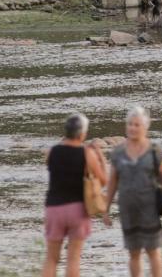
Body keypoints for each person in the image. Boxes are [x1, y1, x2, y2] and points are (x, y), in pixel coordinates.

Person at [103, 106, 162, 277]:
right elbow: (113, 181)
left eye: (137, 125)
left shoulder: (154, 151)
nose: (132, 128)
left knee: (153, 251)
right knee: (133, 252)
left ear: (145, 127)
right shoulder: (118, 152)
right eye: (130, 124)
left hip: (150, 209)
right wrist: (106, 209)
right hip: (128, 209)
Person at [42, 113, 107, 277]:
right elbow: (103, 181)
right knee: (73, 259)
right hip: (77, 210)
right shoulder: (86, 154)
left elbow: (51, 167)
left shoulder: (52, 152)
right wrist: (100, 157)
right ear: (82, 134)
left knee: (51, 259)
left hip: (54, 208)